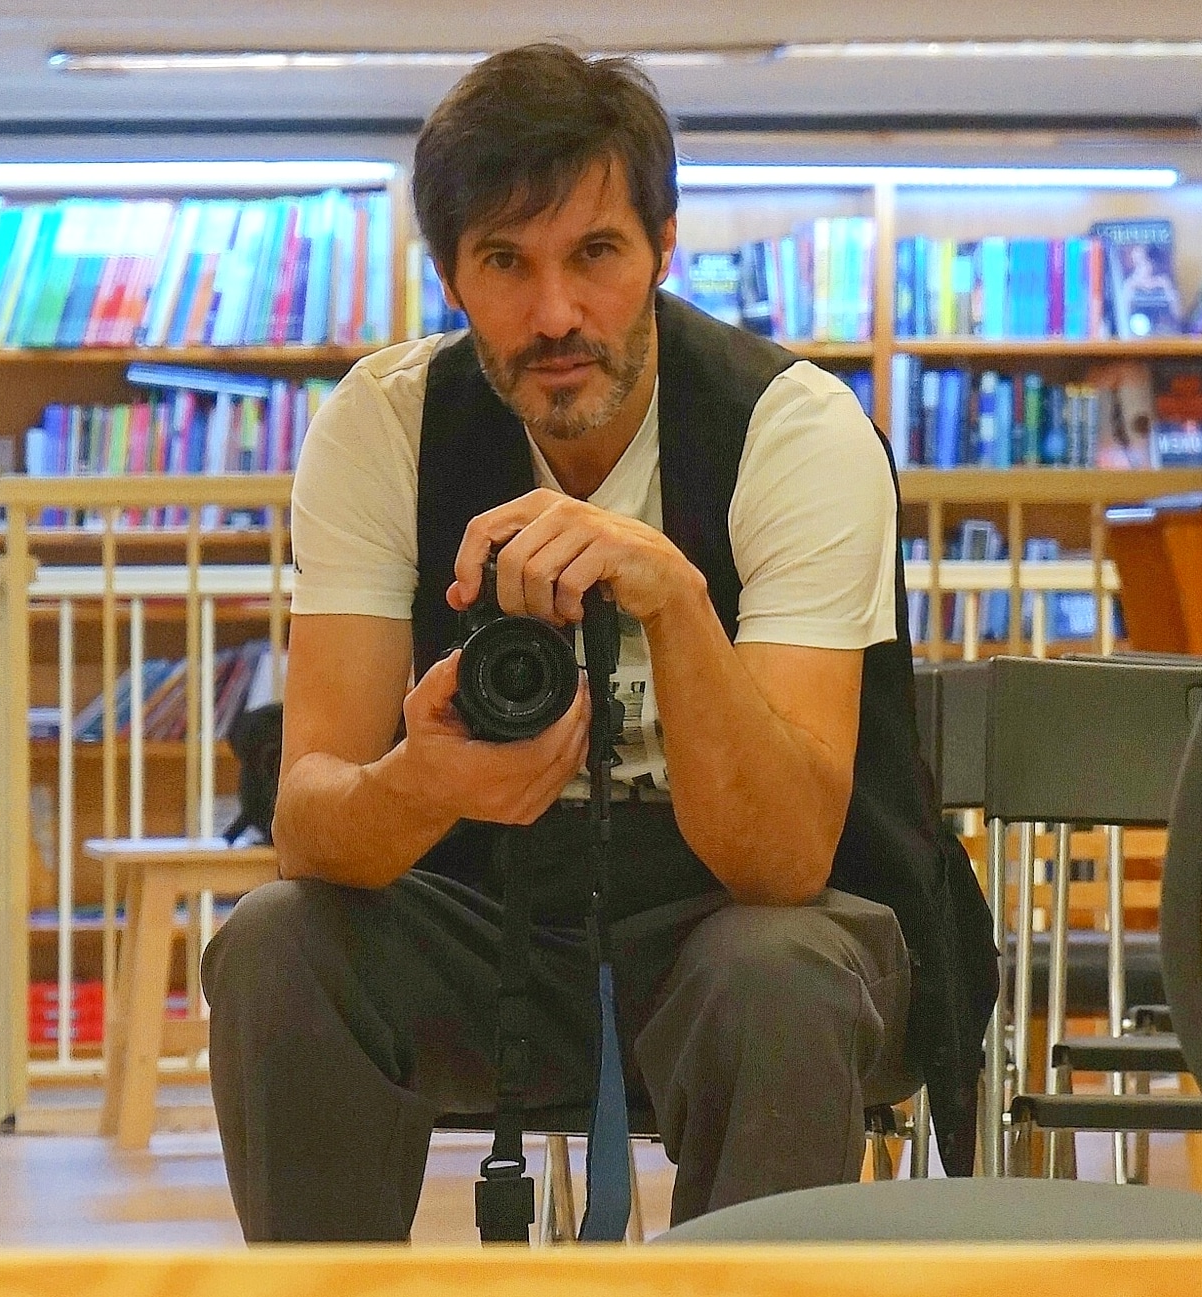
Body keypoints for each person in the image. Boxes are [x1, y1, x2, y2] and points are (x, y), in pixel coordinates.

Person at [202, 42, 997, 1243]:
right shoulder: (382, 427)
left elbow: (785, 859)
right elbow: (307, 828)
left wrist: (674, 600)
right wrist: (420, 782)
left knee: (772, 967)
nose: (556, 314)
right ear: (449, 276)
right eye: (504, 263)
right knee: (276, 943)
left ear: (664, 246)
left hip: (767, 943)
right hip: (489, 925)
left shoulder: (794, 431)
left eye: (595, 254)